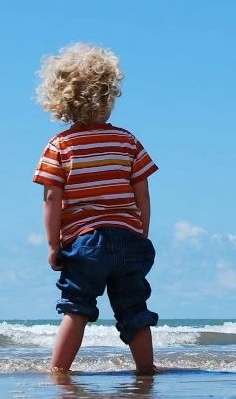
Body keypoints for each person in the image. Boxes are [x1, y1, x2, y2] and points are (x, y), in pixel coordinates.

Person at [32, 42, 159, 374]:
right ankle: (147, 370)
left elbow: (51, 199)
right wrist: (141, 232)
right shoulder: (127, 141)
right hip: (129, 239)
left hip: (85, 243)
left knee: (76, 308)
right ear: (109, 95)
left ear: (63, 101)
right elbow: (142, 192)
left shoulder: (60, 146)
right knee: (134, 309)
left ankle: (59, 372)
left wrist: (53, 244)